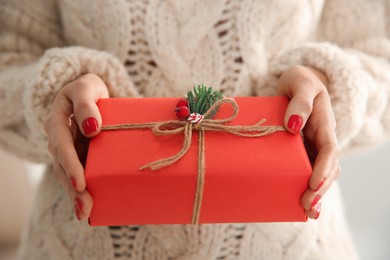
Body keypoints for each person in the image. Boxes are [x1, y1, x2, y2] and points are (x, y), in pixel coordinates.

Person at [0, 0, 389, 259]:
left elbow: (381, 65)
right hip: (80, 245)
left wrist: (328, 84)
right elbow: (8, 62)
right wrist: (52, 95)